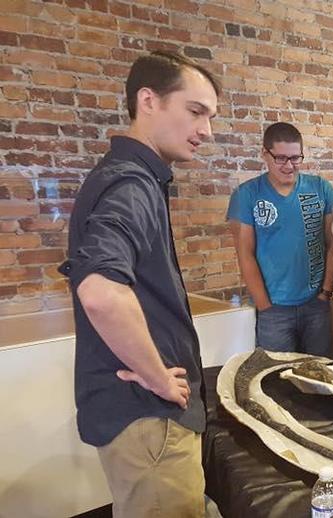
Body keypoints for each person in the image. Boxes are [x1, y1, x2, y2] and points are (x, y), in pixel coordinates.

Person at [58, 51, 220, 518]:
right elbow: (101, 291)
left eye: (210, 116)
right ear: (147, 100)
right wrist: (155, 375)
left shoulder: (132, 177)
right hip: (150, 415)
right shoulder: (131, 183)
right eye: (195, 111)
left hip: (142, 412)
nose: (206, 130)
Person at [227, 122, 333, 356]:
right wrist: (264, 306)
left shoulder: (320, 188)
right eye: (280, 158)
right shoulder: (247, 194)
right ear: (264, 155)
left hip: (316, 305)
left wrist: (326, 293)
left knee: (321, 375)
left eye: (295, 158)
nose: (289, 166)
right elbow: (245, 253)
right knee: (275, 379)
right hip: (274, 309)